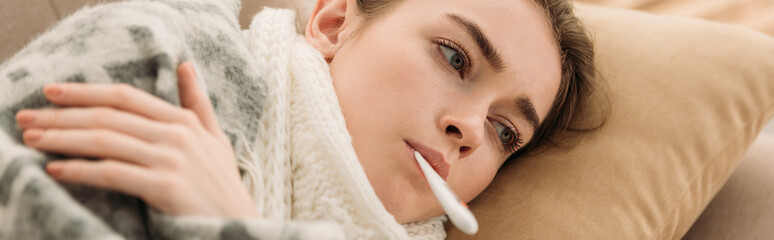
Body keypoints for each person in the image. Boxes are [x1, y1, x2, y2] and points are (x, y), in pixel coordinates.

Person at [3, 0, 596, 238]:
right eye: (453, 56)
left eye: (505, 132)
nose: (470, 128)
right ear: (334, 22)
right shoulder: (161, 53)